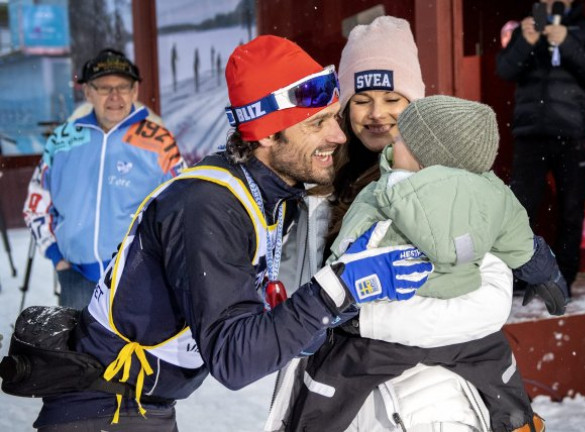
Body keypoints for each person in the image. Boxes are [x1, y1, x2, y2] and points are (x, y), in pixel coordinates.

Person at [24, 35, 431, 432]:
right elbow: (235, 361)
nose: (339, 136)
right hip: (104, 408)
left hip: (136, 403)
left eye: (335, 118)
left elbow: (261, 323)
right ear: (268, 135)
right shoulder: (208, 205)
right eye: (318, 123)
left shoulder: (269, 194)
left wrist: (341, 303)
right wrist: (340, 286)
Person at [268, 16, 533, 432]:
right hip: (332, 390)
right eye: (362, 99)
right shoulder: (315, 183)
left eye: (393, 98)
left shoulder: (457, 180)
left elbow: (485, 304)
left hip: (426, 399)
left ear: (416, 104)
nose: (377, 114)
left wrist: (357, 318)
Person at [284, 95, 571, 432]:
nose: (394, 139)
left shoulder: (383, 196)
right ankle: (519, 421)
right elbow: (522, 245)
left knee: (332, 375)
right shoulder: (495, 196)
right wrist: (546, 272)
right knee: (498, 362)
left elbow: (352, 253)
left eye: (403, 138)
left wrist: (330, 313)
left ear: (424, 156)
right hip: (467, 336)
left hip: (382, 337)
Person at [22, 48, 186, 310]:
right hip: (76, 277)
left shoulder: (159, 141)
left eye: (122, 87)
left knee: (134, 351)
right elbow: (36, 203)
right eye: (104, 88)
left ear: (134, 92)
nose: (115, 97)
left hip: (140, 278)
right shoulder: (63, 139)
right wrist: (56, 256)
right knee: (79, 352)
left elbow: (183, 208)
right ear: (88, 92)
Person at [496, 0, 585, 293]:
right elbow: (505, 70)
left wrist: (567, 41)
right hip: (531, 133)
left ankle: (563, 279)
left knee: (571, 211)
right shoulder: (527, 27)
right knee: (520, 210)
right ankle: (522, 276)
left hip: (573, 134)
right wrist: (527, 42)